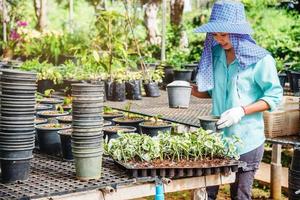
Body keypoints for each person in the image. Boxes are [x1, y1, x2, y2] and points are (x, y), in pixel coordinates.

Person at [192, 1, 283, 200]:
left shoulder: (260, 60)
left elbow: (274, 97)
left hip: (246, 140)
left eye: (223, 34)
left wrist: (241, 110)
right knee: (205, 193)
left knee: (240, 195)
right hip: (215, 140)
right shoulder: (214, 54)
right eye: (215, 34)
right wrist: (189, 91)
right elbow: (211, 91)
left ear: (238, 32)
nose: (218, 39)